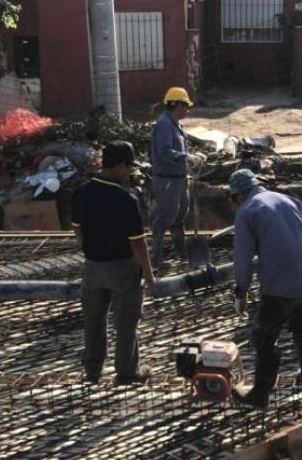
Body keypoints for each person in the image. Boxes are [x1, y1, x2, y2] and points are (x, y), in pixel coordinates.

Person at [229, 169, 302, 409]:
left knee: (263, 336)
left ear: (238, 195)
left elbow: (243, 259)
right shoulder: (289, 199)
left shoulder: (246, 211)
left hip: (280, 286)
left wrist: (240, 291)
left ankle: (260, 394)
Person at [71, 141, 156, 385]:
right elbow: (138, 244)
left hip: (92, 267)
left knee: (94, 319)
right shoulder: (125, 199)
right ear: (119, 166)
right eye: (129, 167)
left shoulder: (81, 192)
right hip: (121, 267)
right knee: (126, 321)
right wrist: (149, 275)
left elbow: (77, 231)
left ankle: (93, 369)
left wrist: (89, 251)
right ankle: (127, 370)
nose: (131, 173)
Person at [150, 86, 204, 270]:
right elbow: (165, 152)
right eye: (185, 105)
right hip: (167, 180)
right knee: (164, 219)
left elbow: (178, 149)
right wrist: (186, 157)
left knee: (179, 217)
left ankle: (182, 253)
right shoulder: (164, 125)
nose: (187, 109)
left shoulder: (176, 125)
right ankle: (156, 258)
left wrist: (192, 156)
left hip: (179, 179)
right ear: (175, 105)